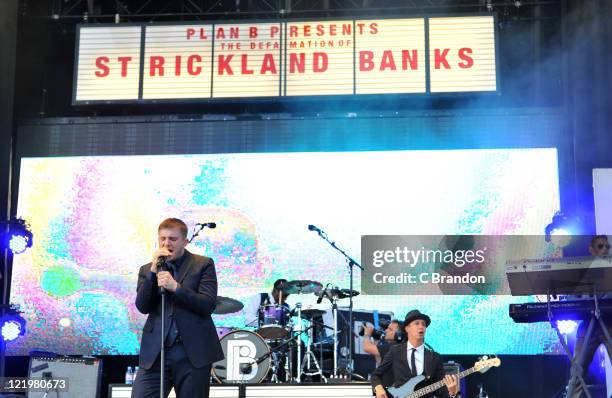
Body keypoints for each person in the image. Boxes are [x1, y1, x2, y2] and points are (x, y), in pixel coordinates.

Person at [132, 218, 224, 398]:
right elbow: (143, 306)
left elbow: (207, 304)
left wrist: (177, 288)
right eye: (163, 239)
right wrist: (152, 273)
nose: (167, 243)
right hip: (156, 352)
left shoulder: (203, 264)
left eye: (173, 239)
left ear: (185, 241)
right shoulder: (147, 270)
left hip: (191, 352)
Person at [371, 310, 458, 398]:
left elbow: (440, 392)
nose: (421, 327)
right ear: (407, 328)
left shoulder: (435, 357)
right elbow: (376, 375)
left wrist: (452, 393)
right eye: (417, 323)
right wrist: (378, 388)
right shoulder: (395, 351)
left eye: (423, 324)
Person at [567, 235, 612, 398]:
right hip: (588, 326)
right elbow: (571, 300)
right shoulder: (582, 273)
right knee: (577, 373)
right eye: (601, 246)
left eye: (607, 247)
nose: (606, 250)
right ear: (591, 250)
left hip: (609, 323)